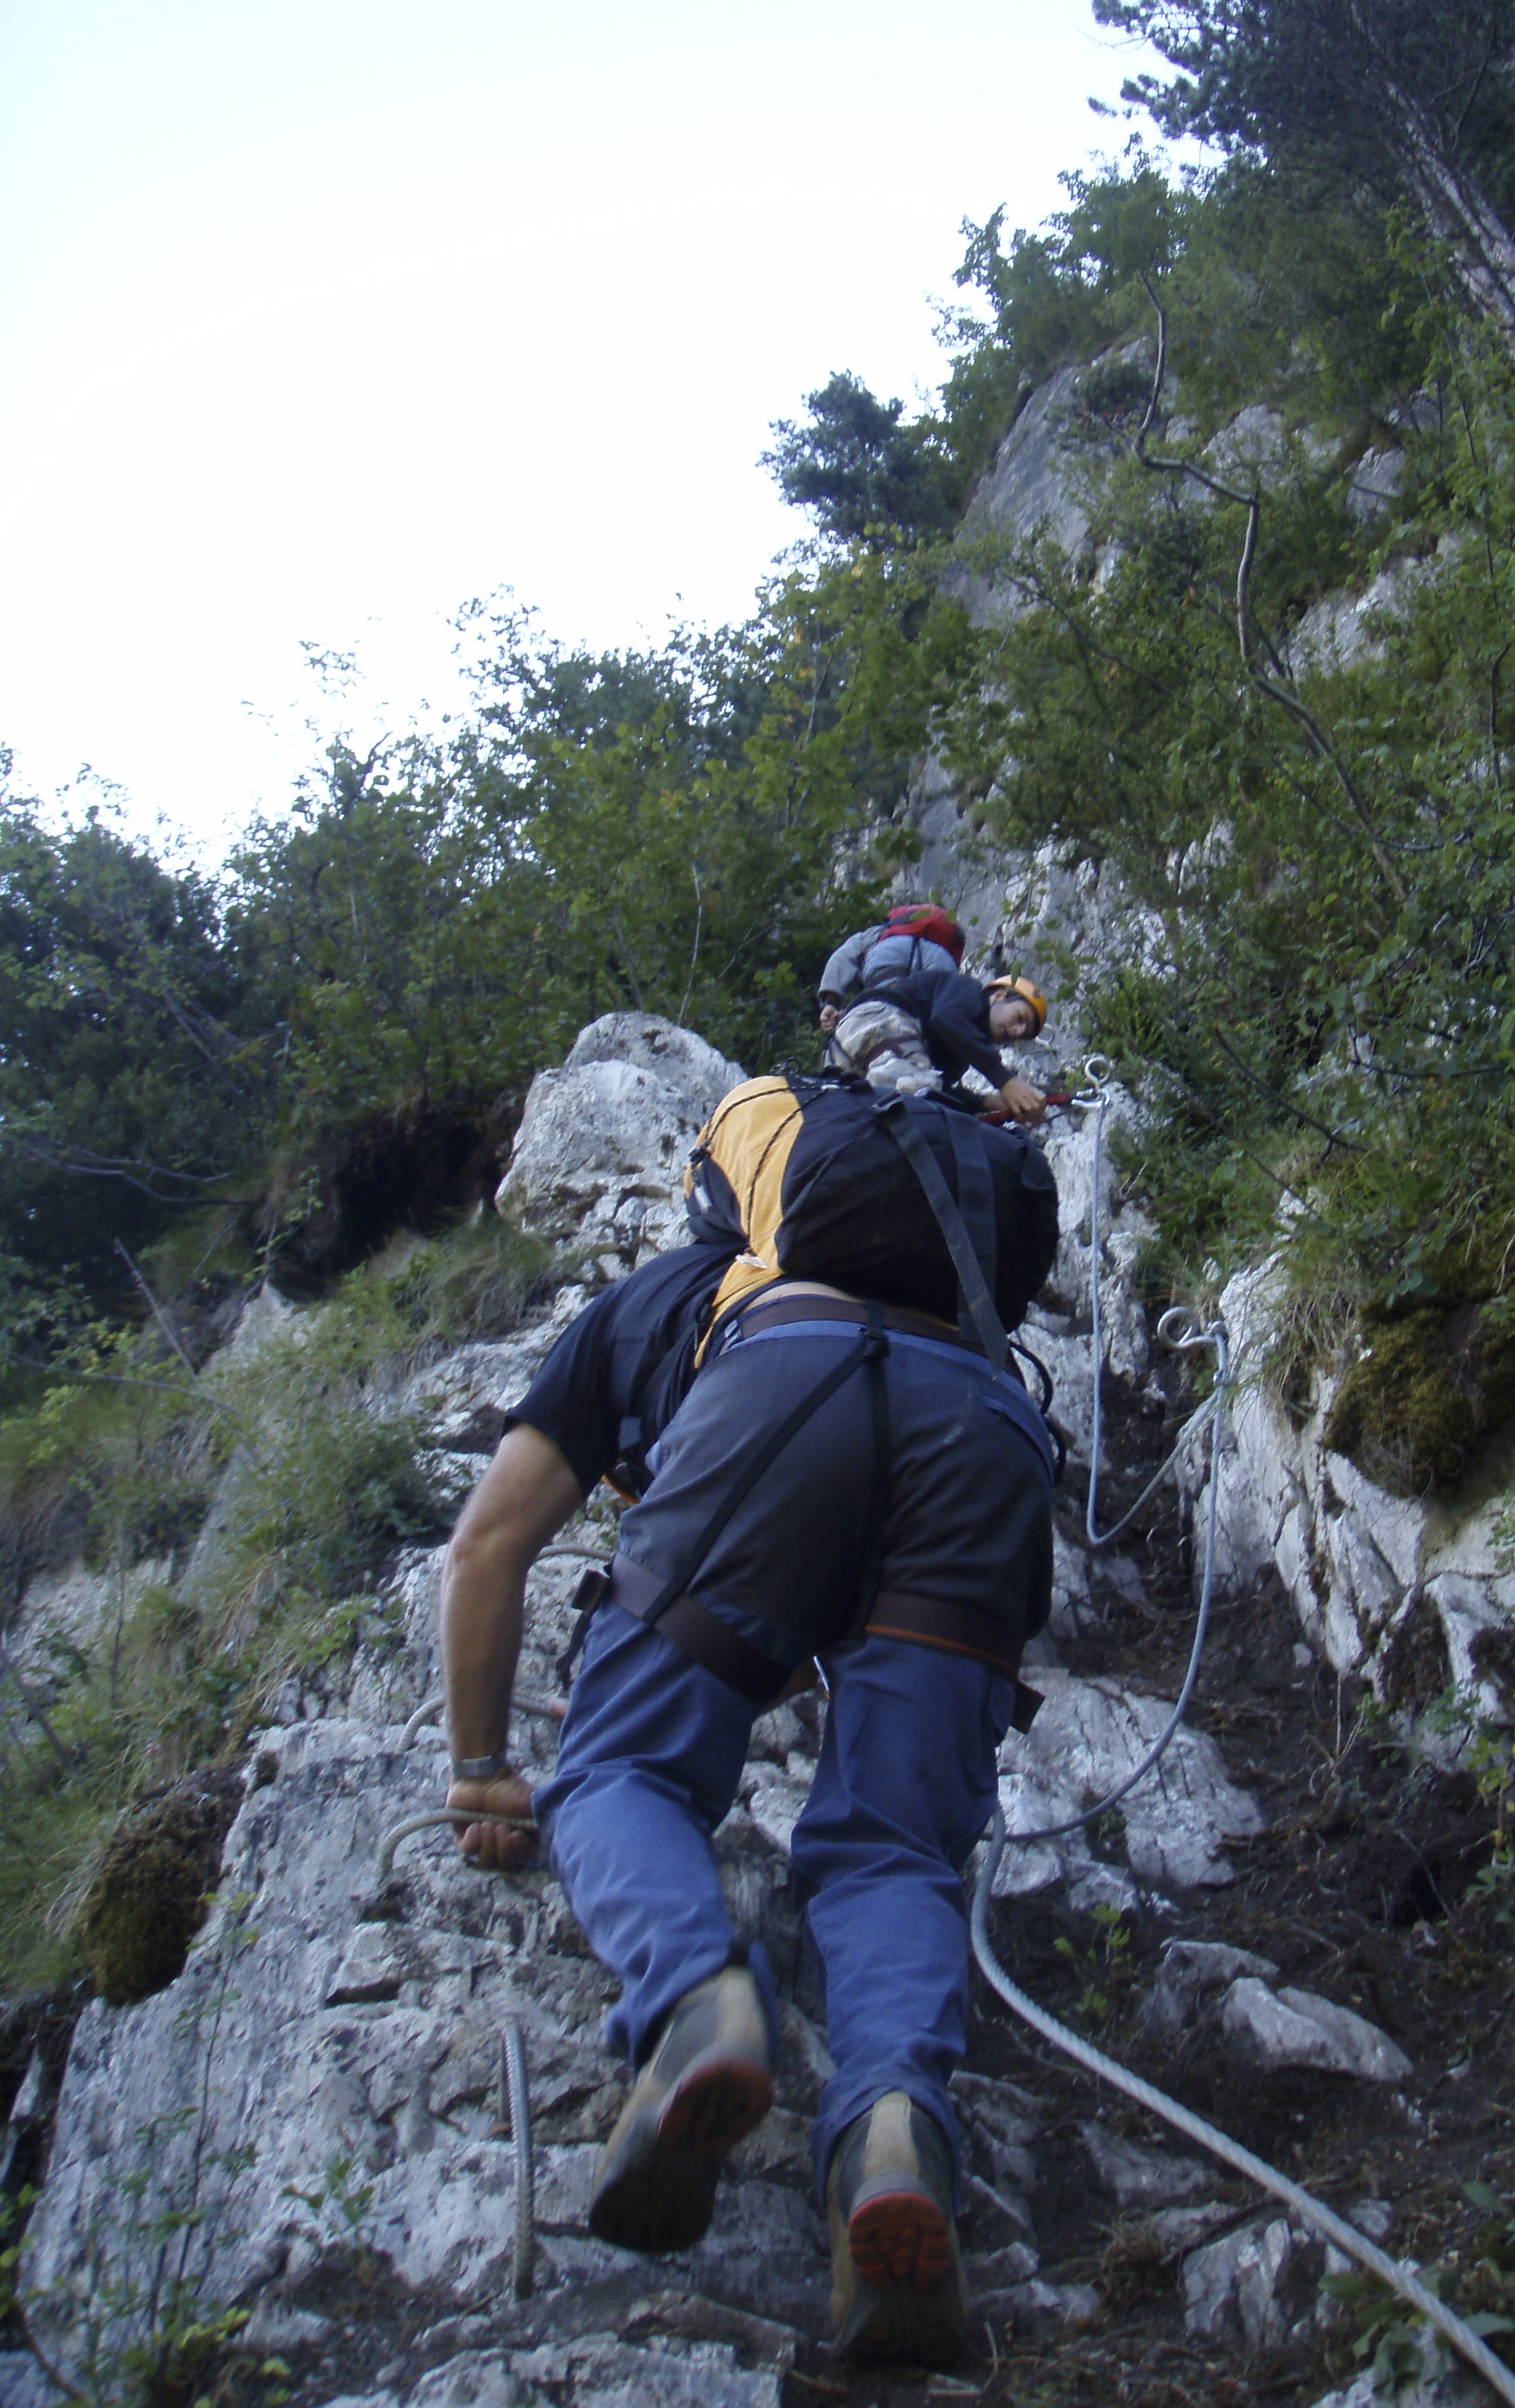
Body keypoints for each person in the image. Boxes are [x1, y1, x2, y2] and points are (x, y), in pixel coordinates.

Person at [438, 1070, 1060, 2365]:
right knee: (895, 1846)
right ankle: (892, 2129)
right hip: (986, 1424)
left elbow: (489, 1546)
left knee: (621, 1770)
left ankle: (700, 2004)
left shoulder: (664, 1299)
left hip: (779, 1399)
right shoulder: (956, 1293)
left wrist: (483, 1769)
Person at [832, 965, 1049, 1122]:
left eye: (1022, 1035)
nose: (1017, 1032)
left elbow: (938, 1090)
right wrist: (1005, 1081)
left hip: (848, 1046)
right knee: (919, 1111)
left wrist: (988, 1103)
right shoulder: (970, 992)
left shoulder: (960, 1052)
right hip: (879, 1021)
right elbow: (945, 1018)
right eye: (1020, 1019)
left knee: (919, 1102)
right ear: (998, 996)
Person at [815, 901, 965, 1039]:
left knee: (882, 1009)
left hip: (888, 958)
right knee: (938, 1019)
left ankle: (849, 1018)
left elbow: (841, 957)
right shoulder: (946, 937)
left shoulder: (882, 931)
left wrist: (830, 1002)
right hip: (940, 960)